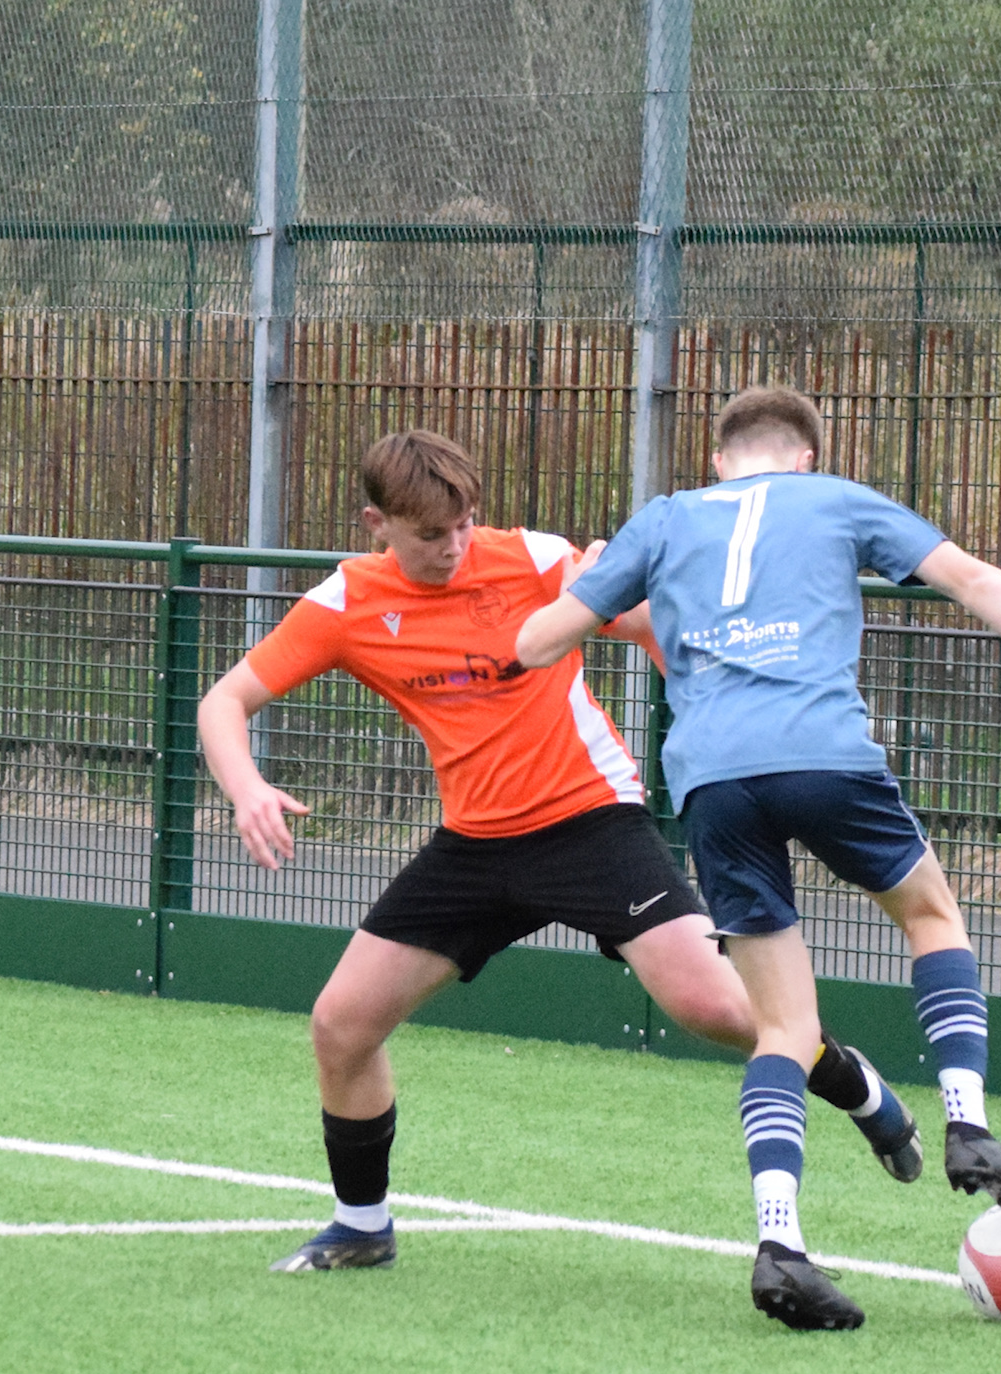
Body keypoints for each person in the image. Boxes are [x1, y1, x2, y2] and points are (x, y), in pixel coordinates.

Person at [199, 429, 919, 1276]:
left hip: (591, 824)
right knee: (341, 1025)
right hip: (473, 845)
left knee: (722, 1011)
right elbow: (227, 699)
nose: (456, 546)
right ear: (377, 523)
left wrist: (715, 704)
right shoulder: (348, 602)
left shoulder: (535, 561)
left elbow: (655, 625)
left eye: (465, 524)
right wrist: (247, 787)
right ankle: (362, 1225)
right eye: (432, 533)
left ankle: (856, 1084)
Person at [516, 387, 1001, 1331]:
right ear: (805, 457)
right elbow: (974, 578)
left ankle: (781, 1245)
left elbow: (535, 643)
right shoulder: (837, 500)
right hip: (825, 754)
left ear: (720, 460)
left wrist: (601, 594)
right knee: (932, 917)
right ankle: (966, 1119)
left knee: (783, 1025)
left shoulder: (666, 519)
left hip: (713, 780)